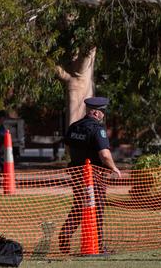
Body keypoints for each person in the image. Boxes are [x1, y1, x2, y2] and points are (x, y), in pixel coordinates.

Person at [58, 97, 121, 255]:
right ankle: (97, 246)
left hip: (77, 173)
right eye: (102, 112)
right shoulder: (97, 129)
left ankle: (65, 236)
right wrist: (114, 168)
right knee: (96, 209)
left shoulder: (74, 127)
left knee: (79, 206)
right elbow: (105, 155)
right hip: (94, 177)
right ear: (97, 112)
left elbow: (68, 148)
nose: (103, 115)